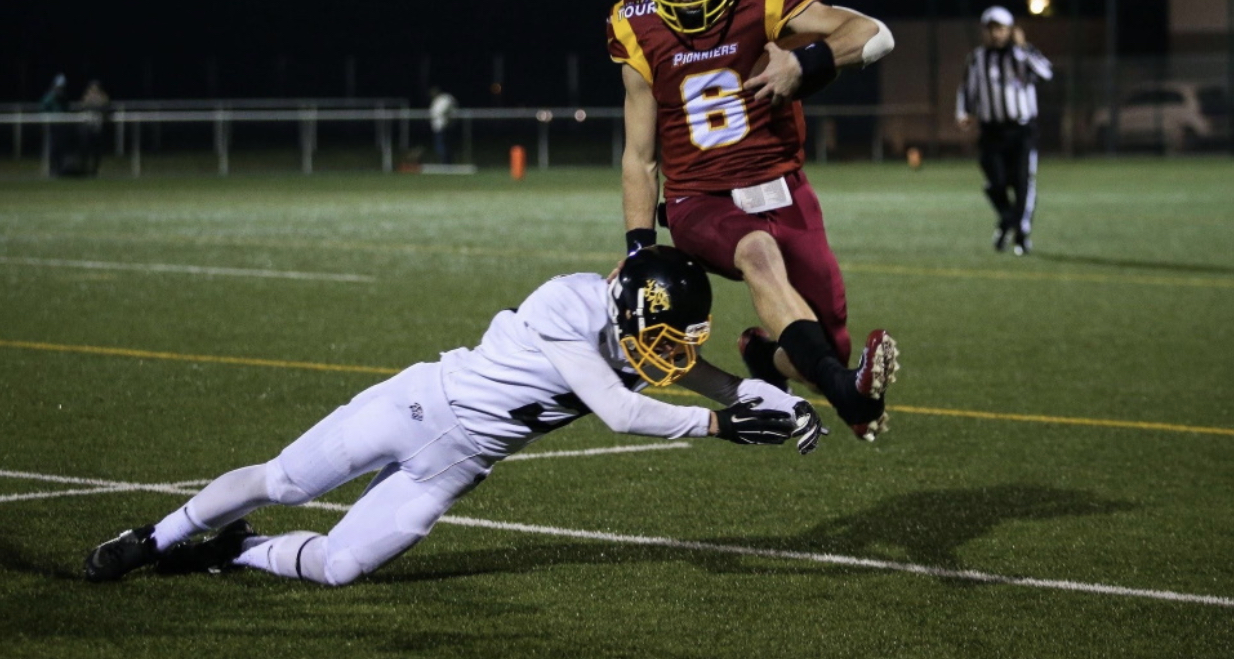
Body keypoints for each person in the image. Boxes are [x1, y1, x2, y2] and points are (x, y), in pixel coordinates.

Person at [84, 246, 825, 586]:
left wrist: (790, 408)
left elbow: (726, 386)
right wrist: (716, 427)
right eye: (662, 338)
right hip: (416, 407)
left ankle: (232, 552)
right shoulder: (564, 304)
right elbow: (621, 413)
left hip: (457, 465)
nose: (671, 356)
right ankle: (155, 537)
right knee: (284, 482)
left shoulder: (636, 335)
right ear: (631, 310)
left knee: (340, 567)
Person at [605, 0, 900, 443]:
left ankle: (765, 356)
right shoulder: (636, 25)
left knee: (826, 346)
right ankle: (850, 400)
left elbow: (874, 34)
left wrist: (805, 61)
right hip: (700, 199)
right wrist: (639, 248)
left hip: (783, 187)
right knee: (758, 256)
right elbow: (640, 158)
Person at [955, 5, 1054, 256]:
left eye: (1000, 28)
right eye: (991, 29)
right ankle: (1008, 220)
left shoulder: (1023, 54)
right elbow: (967, 88)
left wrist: (1023, 49)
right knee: (994, 183)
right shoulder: (977, 58)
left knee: (1022, 184)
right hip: (992, 131)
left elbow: (1046, 73)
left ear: (1010, 30)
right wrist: (964, 112)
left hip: (1022, 131)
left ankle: (1021, 234)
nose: (995, 34)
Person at [427, 85, 458, 164]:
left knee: (443, 146)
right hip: (438, 127)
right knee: (441, 146)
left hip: (444, 126)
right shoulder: (436, 100)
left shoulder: (446, 98)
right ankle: (444, 162)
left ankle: (446, 163)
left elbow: (441, 111)